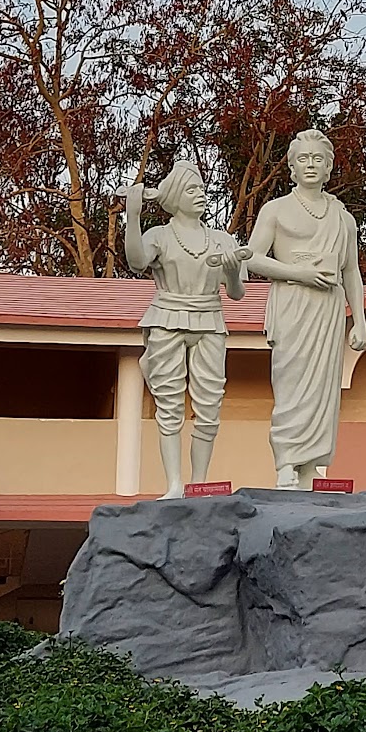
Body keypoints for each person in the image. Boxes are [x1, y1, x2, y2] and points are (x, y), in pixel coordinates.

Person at [246, 130, 366, 489]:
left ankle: (315, 465)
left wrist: (359, 320)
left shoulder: (343, 218)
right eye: (303, 159)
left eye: (318, 159)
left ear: (329, 167)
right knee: (291, 383)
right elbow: (252, 258)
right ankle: (286, 461)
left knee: (322, 387)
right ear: (292, 167)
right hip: (292, 303)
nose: (311, 165)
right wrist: (298, 273)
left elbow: (351, 271)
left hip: (328, 308)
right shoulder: (277, 209)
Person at [124, 160, 247, 499]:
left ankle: (200, 482)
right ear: (176, 196)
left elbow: (236, 293)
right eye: (192, 190)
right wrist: (132, 217)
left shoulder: (222, 239)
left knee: (209, 405)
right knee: (170, 404)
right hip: (167, 317)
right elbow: (136, 261)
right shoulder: (160, 235)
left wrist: (234, 270)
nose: (201, 195)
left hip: (210, 318)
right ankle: (175, 484)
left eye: (203, 189)